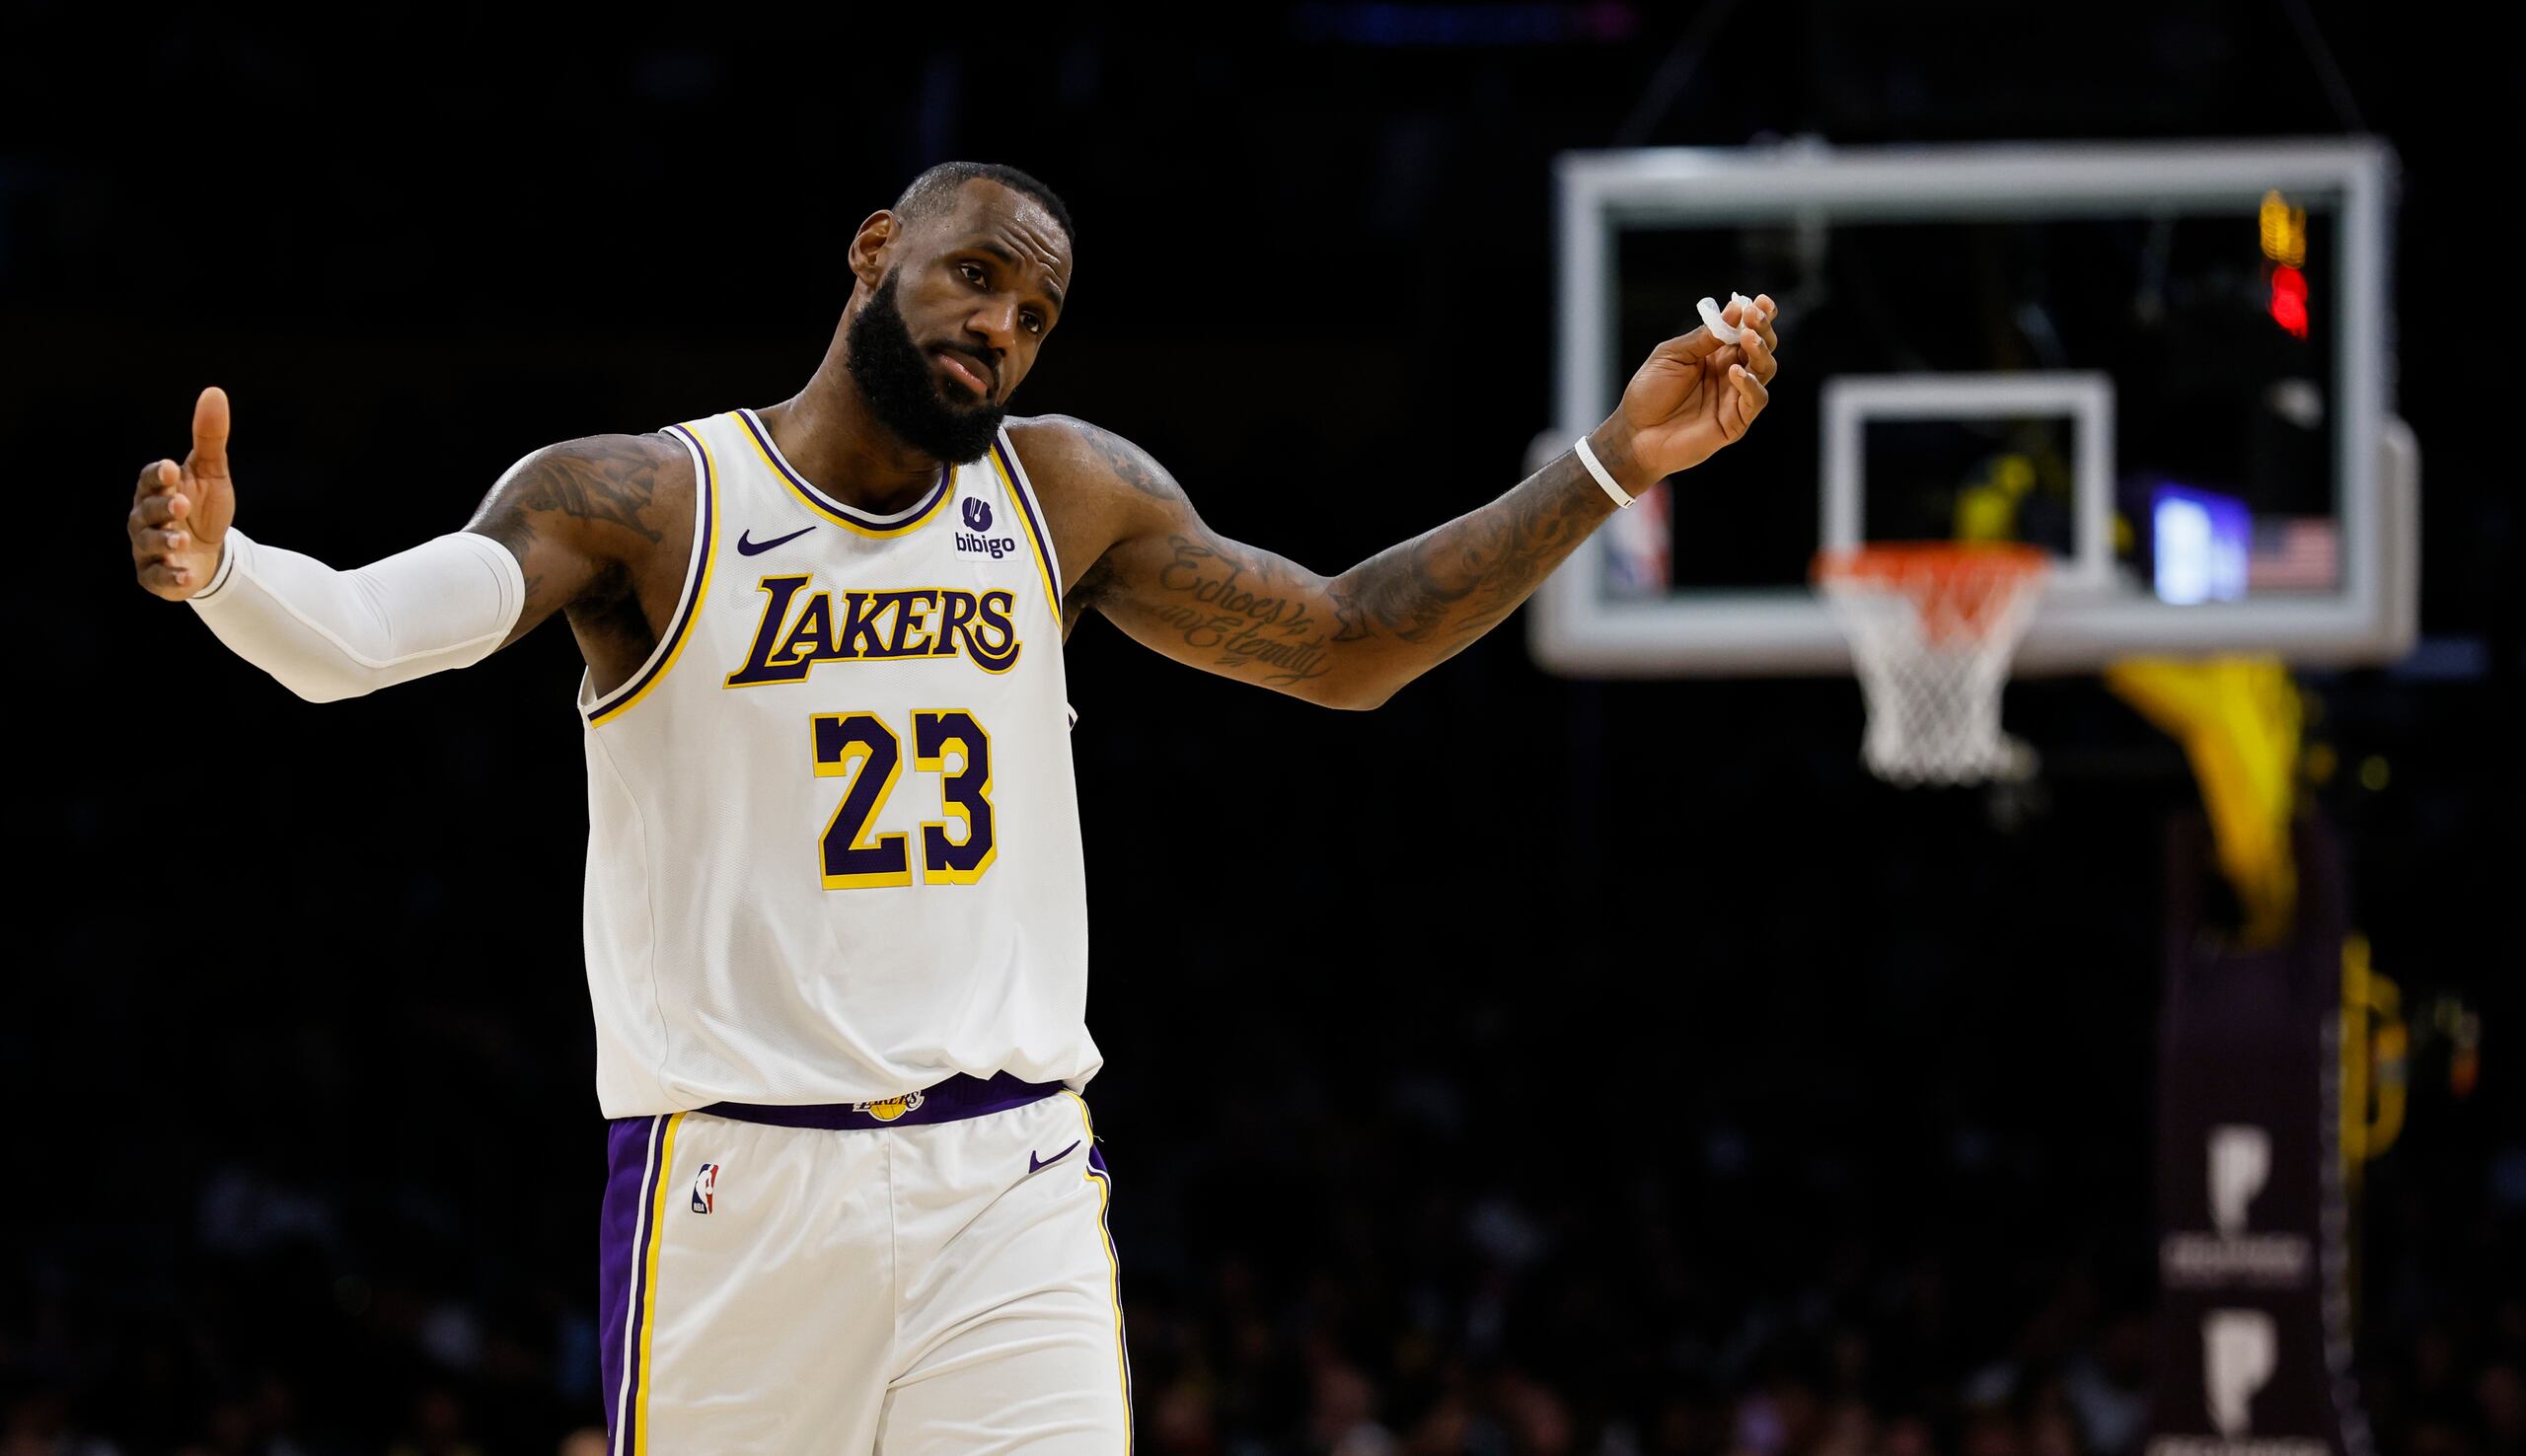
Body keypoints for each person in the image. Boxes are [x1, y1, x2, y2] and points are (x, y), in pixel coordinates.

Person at [125, 162, 1781, 1454]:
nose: (999, 324)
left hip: (1012, 1184)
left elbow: (1346, 646)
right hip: (739, 1195)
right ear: (873, 253)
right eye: (974, 274)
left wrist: (1608, 468)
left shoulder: (1062, 495)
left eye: (1034, 313)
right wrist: (229, 575)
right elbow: (372, 638)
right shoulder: (646, 501)